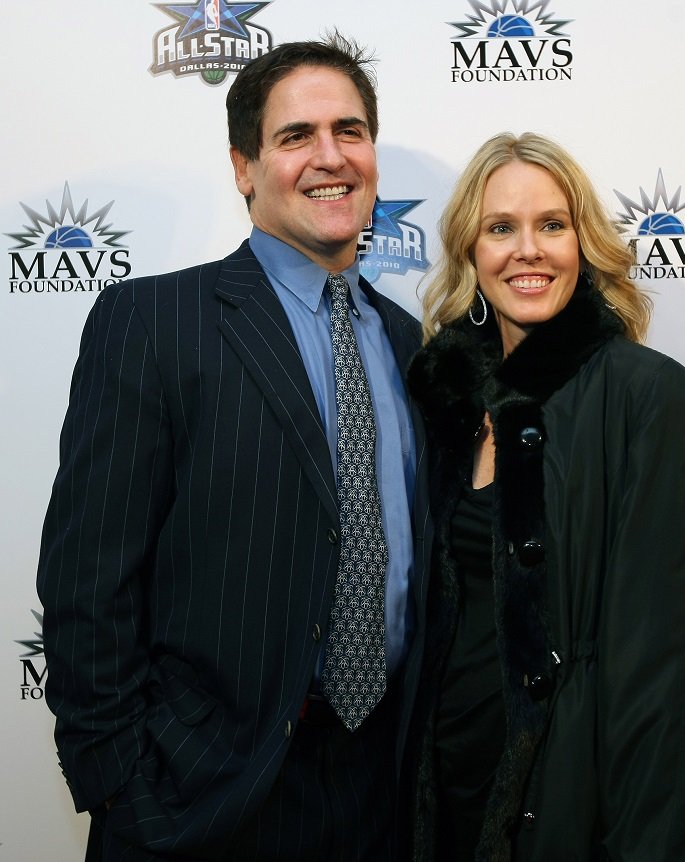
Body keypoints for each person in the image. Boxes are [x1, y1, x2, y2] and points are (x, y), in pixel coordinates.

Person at [37, 34, 431, 862]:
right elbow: (87, 584)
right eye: (296, 137)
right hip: (201, 800)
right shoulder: (154, 323)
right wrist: (122, 789)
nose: (331, 157)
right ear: (244, 166)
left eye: (350, 131)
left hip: (381, 795)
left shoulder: (407, 341)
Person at [406, 132, 685, 861]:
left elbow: (667, 677)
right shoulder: (444, 402)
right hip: (441, 803)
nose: (528, 251)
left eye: (552, 225)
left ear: (584, 243)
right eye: (500, 228)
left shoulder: (651, 398)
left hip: (562, 813)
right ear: (470, 252)